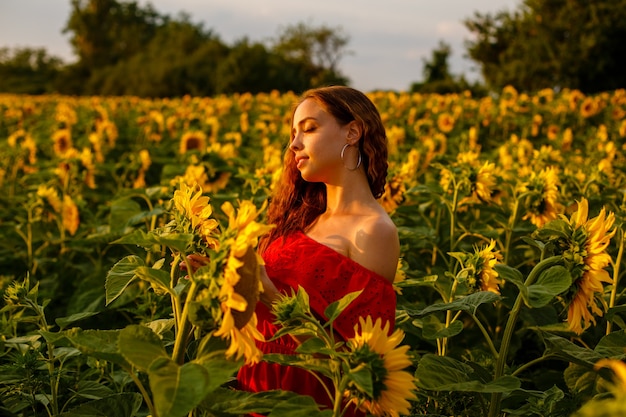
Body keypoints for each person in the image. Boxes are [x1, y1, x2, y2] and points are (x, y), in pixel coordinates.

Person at [237, 85, 400, 416]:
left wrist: (271, 297)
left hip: (311, 402)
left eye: (309, 129)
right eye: (293, 134)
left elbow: (360, 364)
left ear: (352, 132)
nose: (294, 144)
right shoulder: (300, 218)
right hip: (257, 387)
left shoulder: (373, 231)